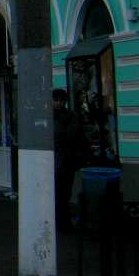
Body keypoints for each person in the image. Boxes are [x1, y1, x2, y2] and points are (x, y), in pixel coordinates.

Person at [52, 88, 85, 233]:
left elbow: (77, 136)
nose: (59, 103)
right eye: (56, 100)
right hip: (54, 162)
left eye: (61, 100)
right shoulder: (48, 117)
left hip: (67, 161)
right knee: (57, 194)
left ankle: (64, 222)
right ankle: (60, 222)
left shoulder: (72, 116)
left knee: (65, 194)